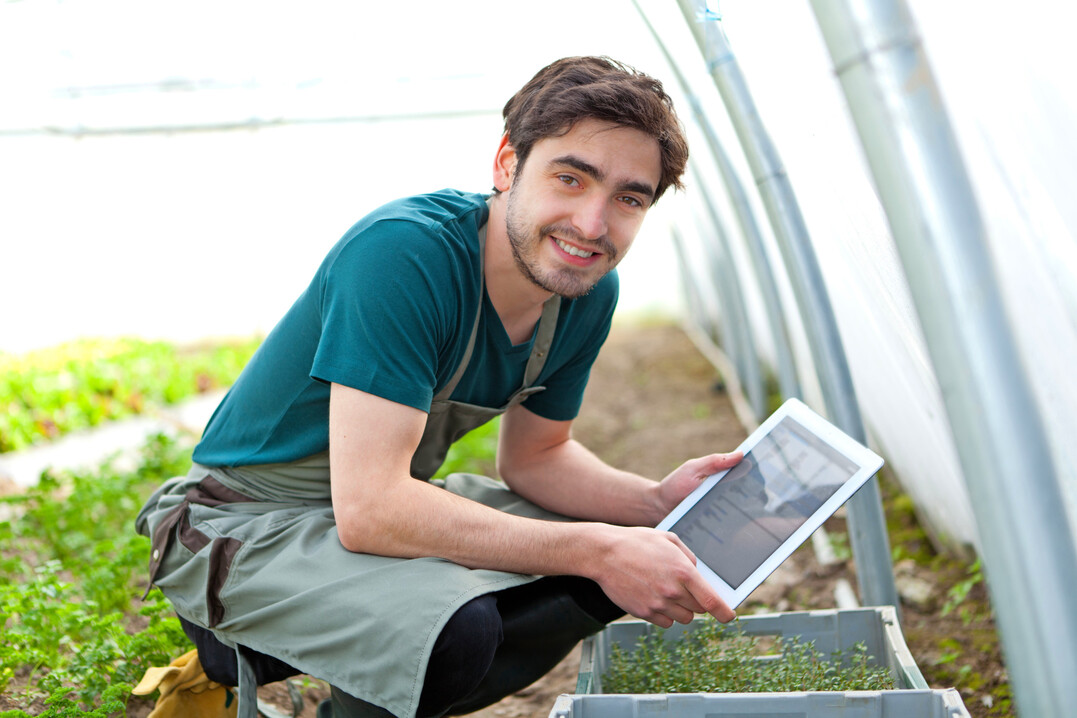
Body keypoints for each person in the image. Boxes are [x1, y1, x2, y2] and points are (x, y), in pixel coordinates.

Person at [136, 55, 742, 718]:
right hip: (242, 525)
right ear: (507, 165)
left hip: (355, 517)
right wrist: (595, 546)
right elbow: (373, 509)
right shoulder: (404, 255)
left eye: (628, 198)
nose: (592, 225)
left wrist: (651, 504)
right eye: (570, 178)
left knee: (617, 566)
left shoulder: (585, 292)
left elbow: (535, 457)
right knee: (468, 629)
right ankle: (267, 656)